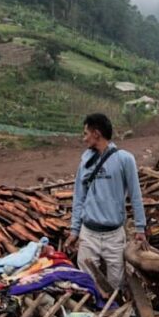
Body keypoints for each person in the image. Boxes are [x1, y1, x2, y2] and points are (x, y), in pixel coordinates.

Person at [66, 113, 147, 290]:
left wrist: (140, 228)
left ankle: (114, 312)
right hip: (89, 234)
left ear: (96, 134)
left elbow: (135, 195)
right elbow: (79, 197)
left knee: (116, 284)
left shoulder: (124, 159)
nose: (84, 138)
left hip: (114, 235)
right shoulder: (85, 162)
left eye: (86, 133)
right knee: (87, 283)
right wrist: (75, 230)